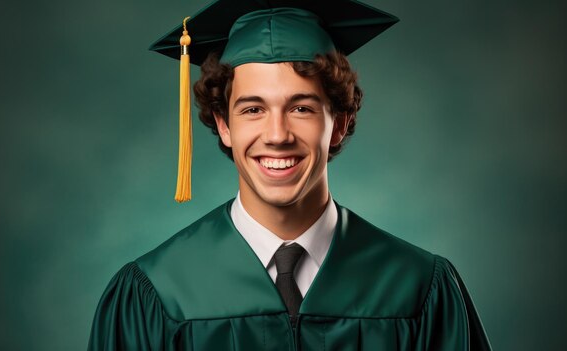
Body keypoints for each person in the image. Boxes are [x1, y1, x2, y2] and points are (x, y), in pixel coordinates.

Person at [88, 0, 492, 350]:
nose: (277, 135)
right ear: (223, 124)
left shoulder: (418, 288)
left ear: (339, 122)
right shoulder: (157, 292)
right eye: (252, 109)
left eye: (301, 108)